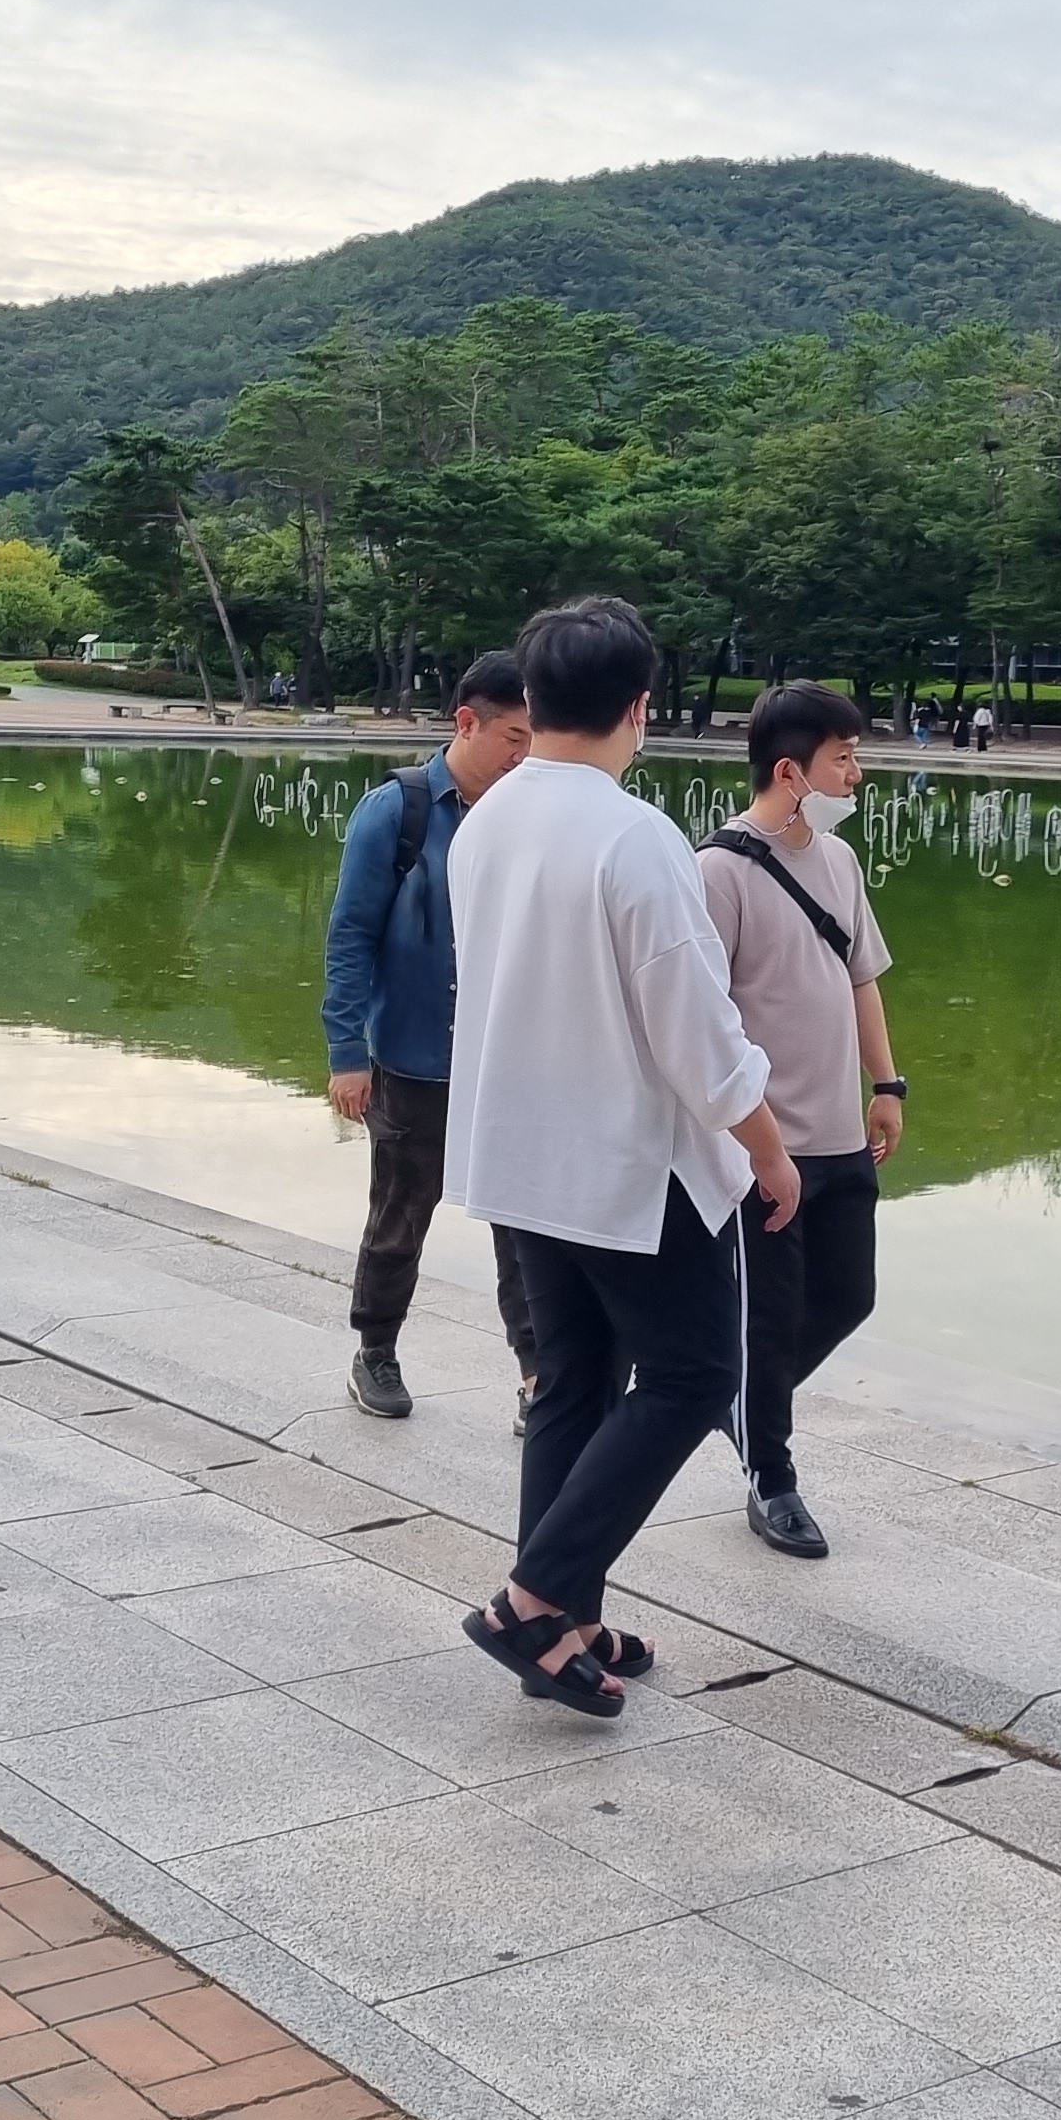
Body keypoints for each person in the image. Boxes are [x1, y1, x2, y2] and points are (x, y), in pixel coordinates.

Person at [445, 595, 799, 1717]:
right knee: (694, 1376)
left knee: (575, 1381)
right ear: (641, 707)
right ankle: (532, 1599)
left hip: (522, 1150)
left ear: (534, 697)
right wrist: (769, 1149)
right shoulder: (633, 834)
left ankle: (566, 1623)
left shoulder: (489, 817)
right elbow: (696, 1029)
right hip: (627, 1162)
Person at [699, 685, 904, 1558]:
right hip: (765, 1146)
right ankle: (771, 1479)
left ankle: (736, 1403)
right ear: (790, 771)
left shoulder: (841, 861)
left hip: (840, 1132)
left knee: (849, 1295)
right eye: (842, 759)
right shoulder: (719, 873)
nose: (856, 775)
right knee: (770, 1317)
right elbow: (700, 1020)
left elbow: (862, 978)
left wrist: (888, 1084)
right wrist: (749, 1139)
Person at [323, 652, 538, 1423]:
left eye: (535, 739)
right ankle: (375, 1352)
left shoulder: (528, 817)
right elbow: (351, 935)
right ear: (467, 722)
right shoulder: (398, 811)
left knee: (525, 1230)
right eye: (513, 737)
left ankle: (538, 1377)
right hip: (415, 1062)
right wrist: (347, 1055)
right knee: (399, 1217)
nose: (524, 756)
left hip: (506, 1067)